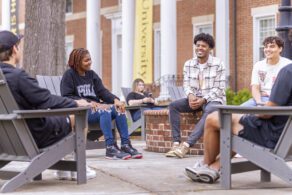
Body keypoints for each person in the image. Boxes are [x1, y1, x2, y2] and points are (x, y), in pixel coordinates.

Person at [0, 30, 96, 180]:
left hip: (8, 139)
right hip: (34, 134)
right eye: (19, 46)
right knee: (78, 117)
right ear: (14, 49)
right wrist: (76, 102)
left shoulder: (5, 77)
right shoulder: (18, 76)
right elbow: (46, 100)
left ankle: (64, 170)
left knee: (59, 117)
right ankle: (81, 166)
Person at [185, 62, 292, 184]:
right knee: (233, 127)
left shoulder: (288, 71)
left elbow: (267, 113)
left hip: (274, 136)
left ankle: (205, 166)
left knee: (213, 119)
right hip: (287, 138)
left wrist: (255, 112)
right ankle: (214, 167)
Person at [61, 48, 143, 160]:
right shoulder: (69, 75)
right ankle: (110, 147)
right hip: (82, 112)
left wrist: (115, 100)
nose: (90, 62)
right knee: (105, 110)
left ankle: (125, 144)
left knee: (119, 109)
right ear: (77, 62)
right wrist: (90, 103)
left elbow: (102, 92)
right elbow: (67, 96)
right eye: (86, 60)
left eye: (90, 59)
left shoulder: (91, 75)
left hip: (96, 109)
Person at [165, 33, 226, 158]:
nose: (200, 48)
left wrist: (204, 99)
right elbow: (186, 84)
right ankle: (176, 143)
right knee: (173, 106)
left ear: (210, 48)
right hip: (196, 99)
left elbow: (220, 87)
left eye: (203, 46)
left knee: (210, 110)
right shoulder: (189, 64)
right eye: (198, 45)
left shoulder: (218, 63)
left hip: (213, 99)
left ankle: (186, 145)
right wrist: (190, 95)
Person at [241, 36, 291, 106]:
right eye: (266, 47)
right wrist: (259, 102)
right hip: (261, 99)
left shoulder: (288, 65)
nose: (268, 49)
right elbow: (255, 87)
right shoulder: (258, 65)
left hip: (279, 101)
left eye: (272, 46)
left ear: (280, 49)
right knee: (238, 111)